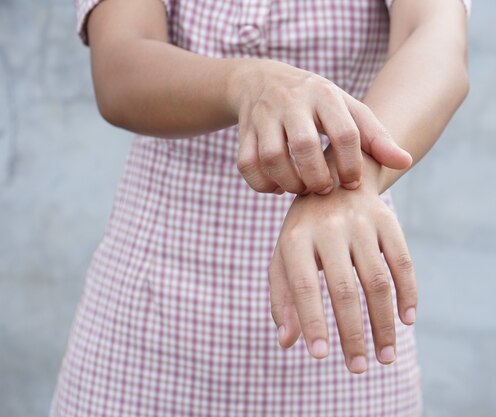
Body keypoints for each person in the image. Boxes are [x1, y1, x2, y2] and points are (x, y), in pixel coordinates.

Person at [50, 0, 470, 415]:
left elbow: (435, 39)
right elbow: (120, 65)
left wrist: (348, 182)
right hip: (142, 331)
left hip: (342, 314)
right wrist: (249, 82)